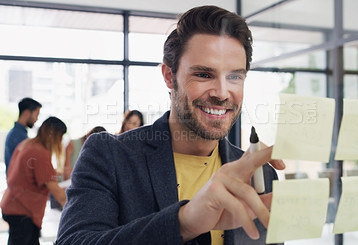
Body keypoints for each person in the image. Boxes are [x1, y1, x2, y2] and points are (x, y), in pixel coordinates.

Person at [56, 5, 285, 245]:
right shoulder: (109, 155)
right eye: (204, 75)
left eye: (235, 76)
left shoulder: (261, 174)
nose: (222, 93)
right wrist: (183, 222)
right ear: (168, 76)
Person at [1, 116, 68, 245]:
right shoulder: (40, 152)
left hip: (12, 204)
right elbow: (57, 192)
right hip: (23, 211)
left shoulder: (28, 144)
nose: (60, 142)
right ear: (53, 135)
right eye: (60, 137)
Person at [4, 97, 42, 175]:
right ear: (27, 113)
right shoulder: (18, 136)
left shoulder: (18, 133)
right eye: (36, 114)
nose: (37, 119)